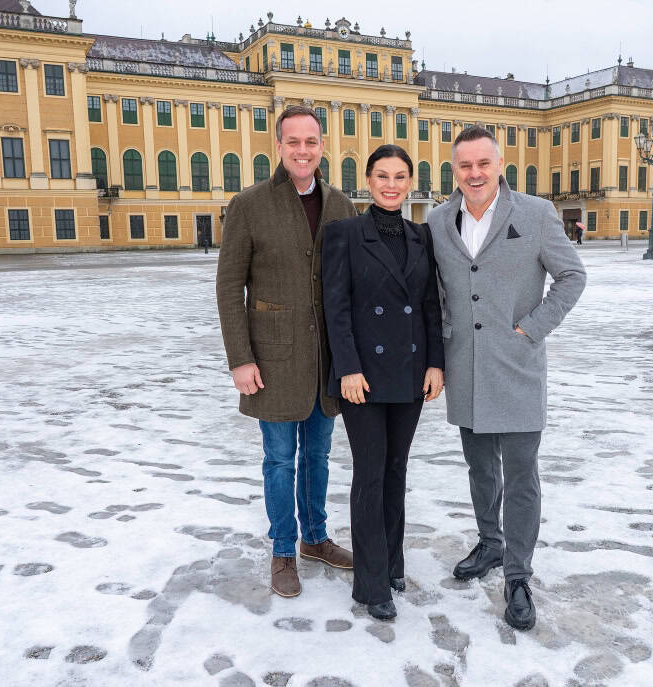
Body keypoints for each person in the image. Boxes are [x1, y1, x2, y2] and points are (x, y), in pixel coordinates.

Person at [428, 127, 586, 631]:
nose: (474, 174)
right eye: (464, 166)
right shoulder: (435, 221)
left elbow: (572, 276)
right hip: (465, 369)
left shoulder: (536, 215)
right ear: (454, 171)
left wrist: (530, 330)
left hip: (517, 367)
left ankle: (517, 575)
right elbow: (435, 291)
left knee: (521, 477)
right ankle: (490, 545)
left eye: (483, 164)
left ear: (500, 165)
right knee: (480, 471)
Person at [216, 105, 356, 598]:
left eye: (311, 142)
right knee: (279, 460)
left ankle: (315, 538)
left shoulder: (341, 205)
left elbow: (351, 287)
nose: (303, 151)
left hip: (325, 362)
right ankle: (282, 549)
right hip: (272, 359)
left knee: (317, 454)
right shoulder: (250, 204)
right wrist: (240, 357)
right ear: (278, 146)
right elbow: (230, 286)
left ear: (322, 147)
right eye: (293, 142)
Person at [321, 144, 445, 621]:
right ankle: (370, 585)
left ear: (410, 182)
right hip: (363, 380)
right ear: (367, 181)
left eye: (399, 176)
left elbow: (432, 305)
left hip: (411, 374)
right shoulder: (345, 234)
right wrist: (348, 367)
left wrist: (436, 363)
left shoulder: (422, 236)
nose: (391, 184)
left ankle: (392, 561)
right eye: (381, 176)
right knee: (370, 475)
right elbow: (337, 307)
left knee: (397, 470)